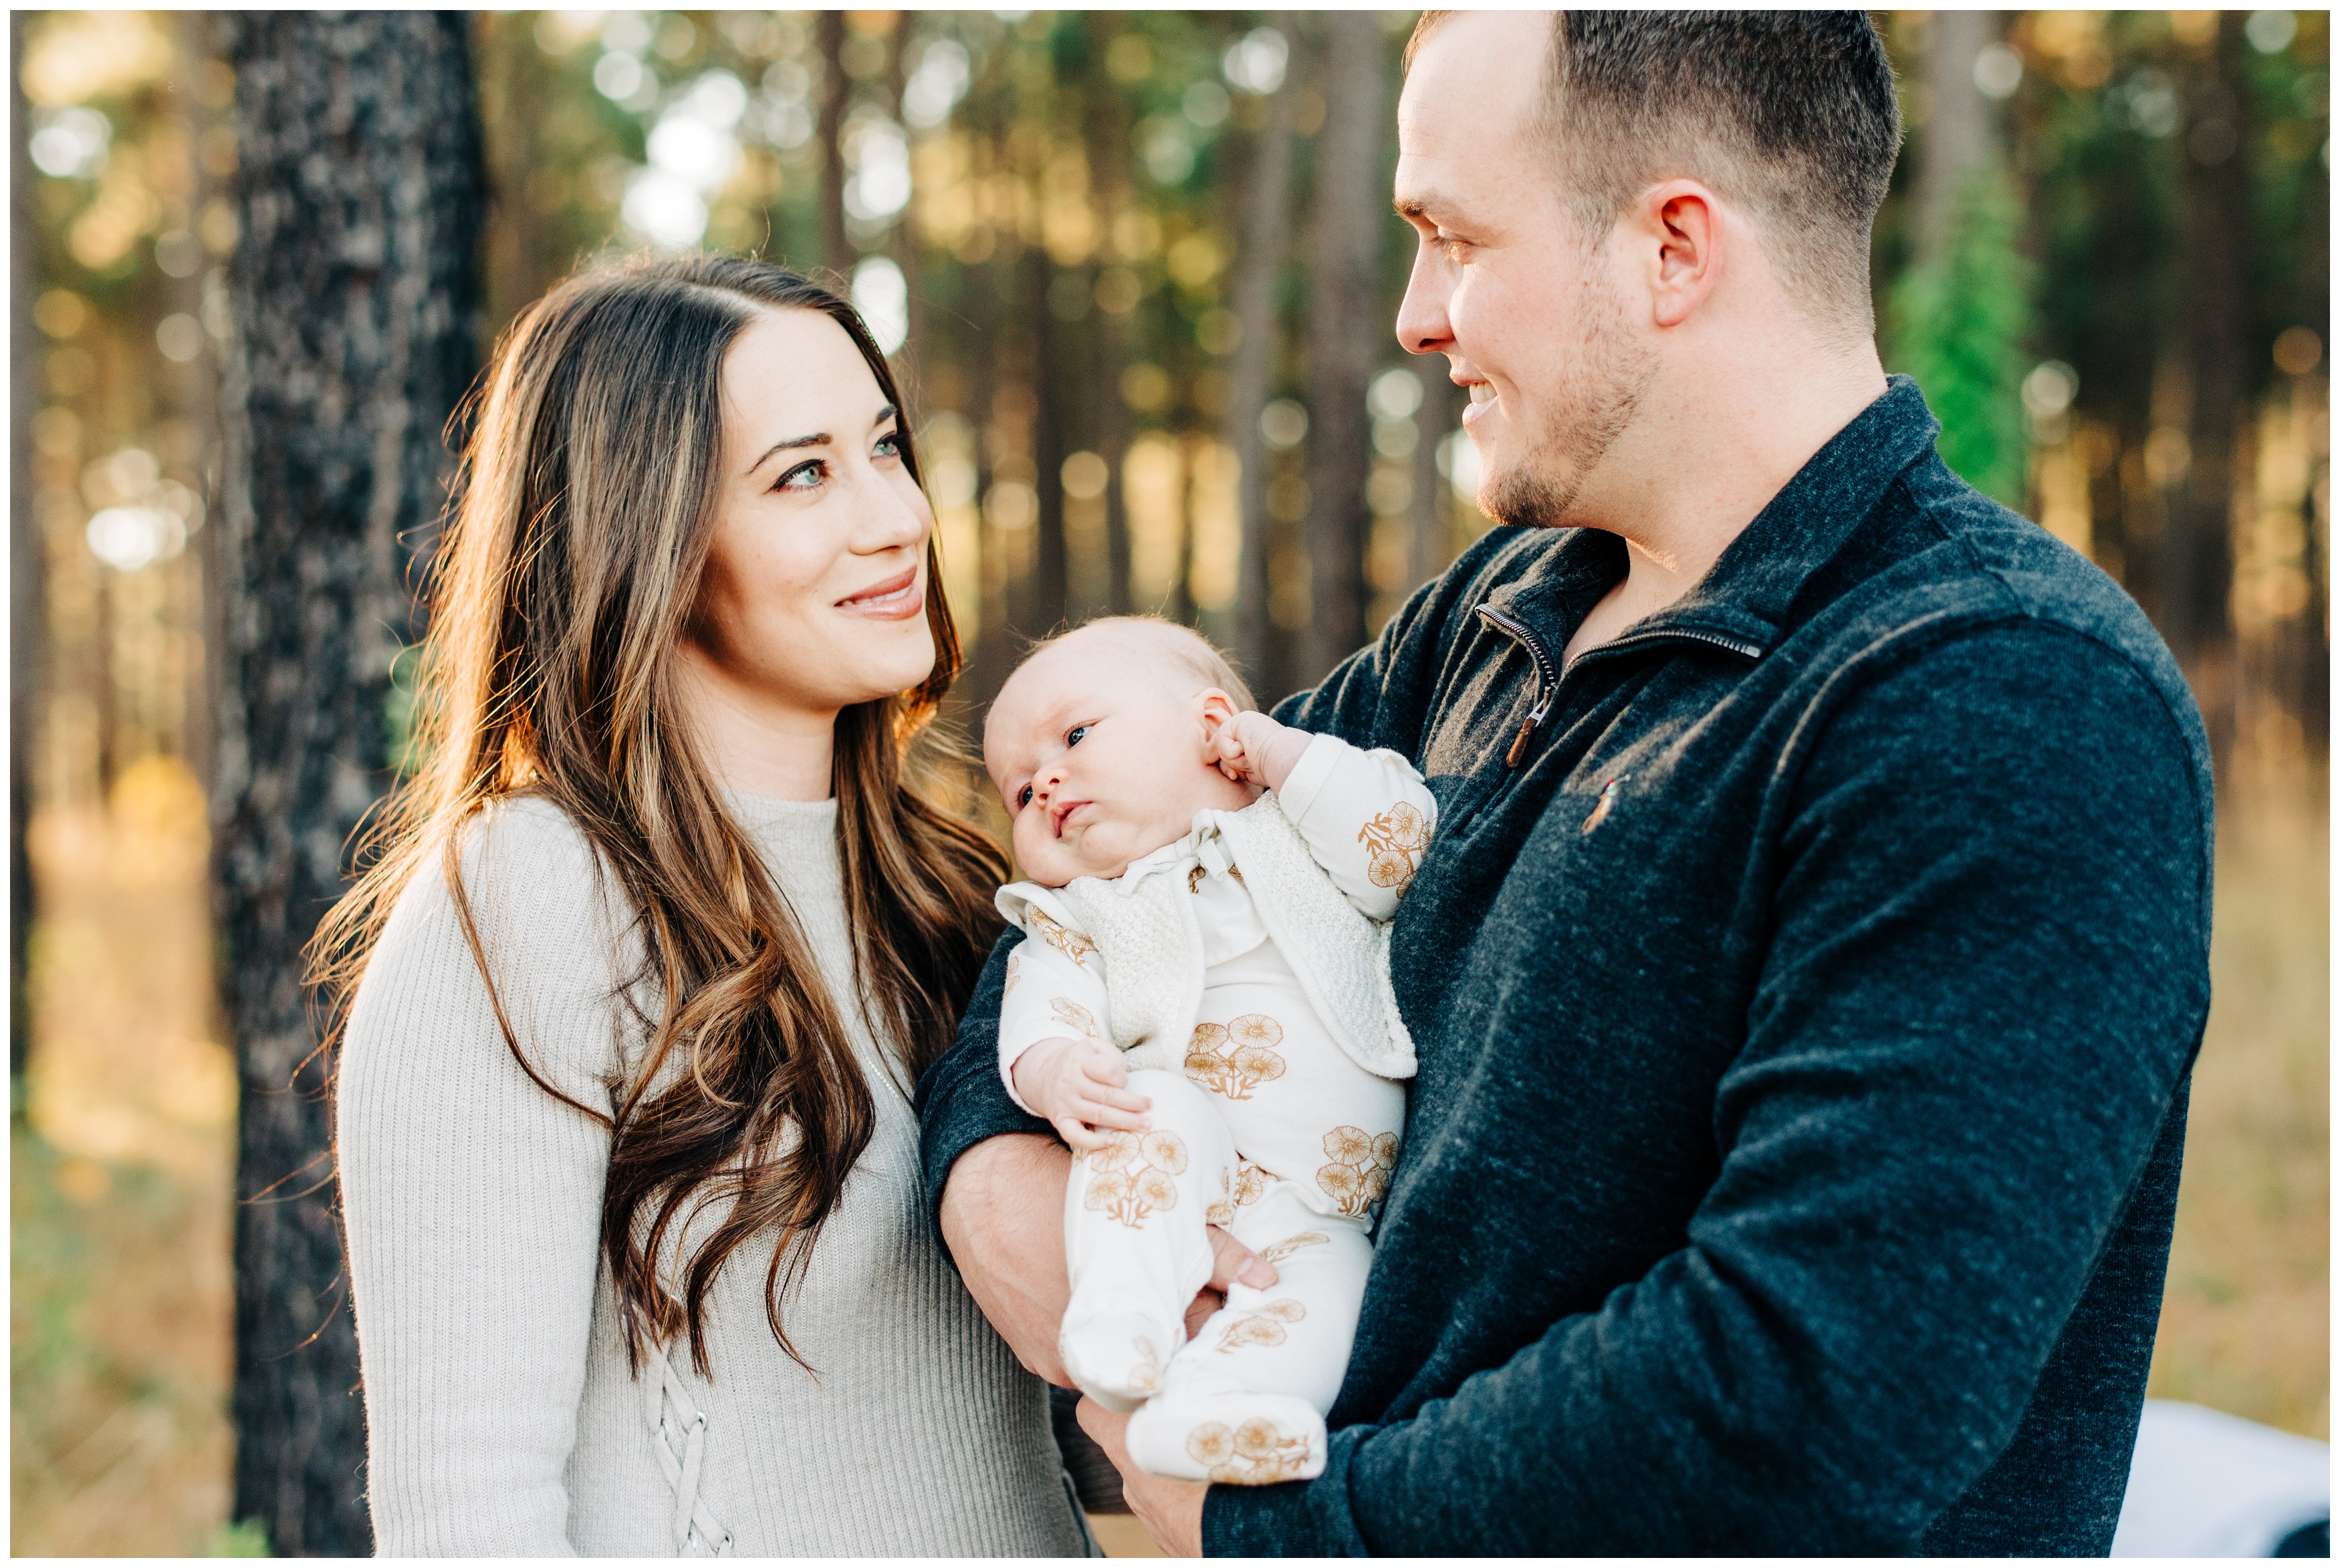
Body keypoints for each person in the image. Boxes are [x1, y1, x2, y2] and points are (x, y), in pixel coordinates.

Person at [917, 11, 2210, 1555]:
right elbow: (1115, 875)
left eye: (1450, 237)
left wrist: (1282, 1532)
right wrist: (992, 1182)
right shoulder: (1493, 615)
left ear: (1671, 247)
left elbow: (1809, 1390)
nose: (1411, 316)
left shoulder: (2004, 696)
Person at [320, 255, 1089, 1555]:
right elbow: (466, 1517)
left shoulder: (951, 884)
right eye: (803, 473)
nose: (895, 516)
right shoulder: (525, 904)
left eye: (885, 448)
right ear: (650, 536)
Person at [982, 618, 1434, 1482]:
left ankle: (1211, 1409)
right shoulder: (1081, 912)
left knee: (1325, 1304)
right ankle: (1123, 1317)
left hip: (1323, 1210)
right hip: (1190, 1167)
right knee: (1142, 1115)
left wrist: (1288, 760)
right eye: (1017, 794)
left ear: (1215, 722)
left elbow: (1401, 853)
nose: (1043, 782)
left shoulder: (1296, 821)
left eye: (1074, 735)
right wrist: (1051, 1069)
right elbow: (1044, 1004)